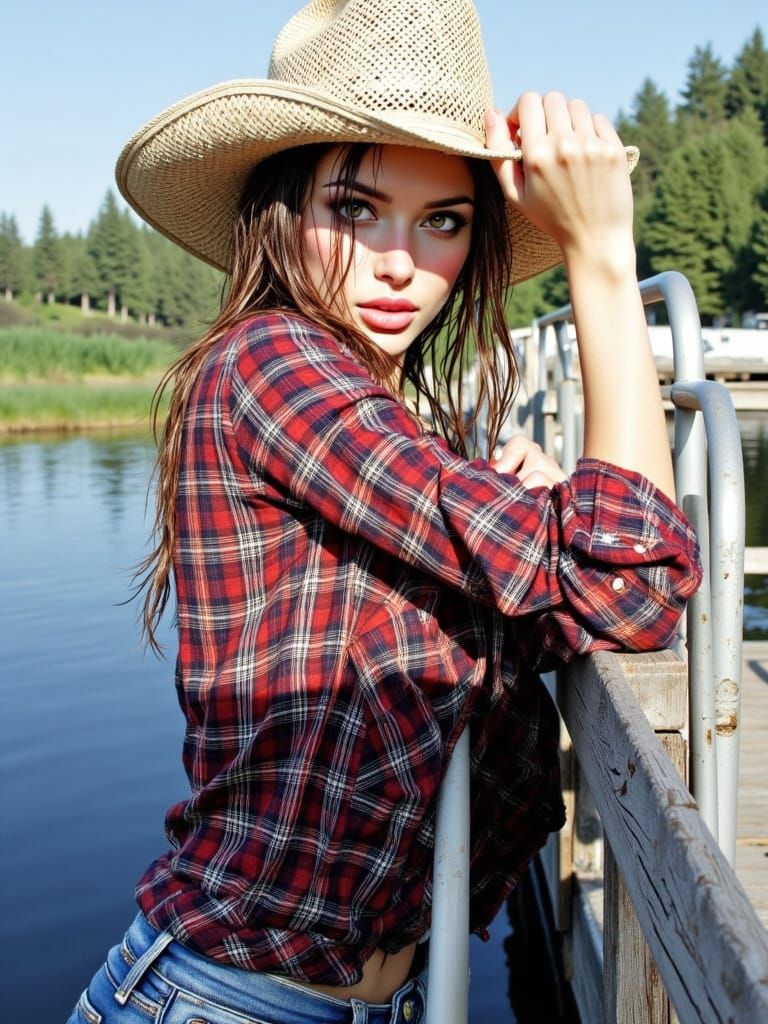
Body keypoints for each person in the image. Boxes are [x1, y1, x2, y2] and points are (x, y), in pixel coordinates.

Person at [68, 1, 701, 1022]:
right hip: (225, 1000)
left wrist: (544, 509)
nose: (400, 262)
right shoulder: (274, 366)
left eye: (443, 220)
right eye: (356, 208)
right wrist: (601, 258)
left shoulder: (392, 435)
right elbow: (634, 580)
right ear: (280, 207)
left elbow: (595, 595)